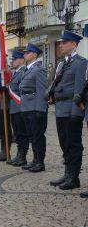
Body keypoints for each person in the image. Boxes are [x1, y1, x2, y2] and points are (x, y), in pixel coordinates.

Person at [49, 31, 87, 190]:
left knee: (74, 144)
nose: (61, 45)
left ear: (73, 44)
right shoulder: (61, 64)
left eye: (64, 42)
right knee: (64, 143)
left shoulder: (80, 62)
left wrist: (76, 112)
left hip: (72, 109)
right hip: (60, 108)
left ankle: (74, 177)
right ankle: (67, 173)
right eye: (60, 43)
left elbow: (79, 89)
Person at [20, 43, 48, 172]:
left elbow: (42, 90)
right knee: (31, 136)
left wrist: (40, 109)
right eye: (25, 53)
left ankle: (40, 162)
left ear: (35, 55)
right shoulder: (27, 69)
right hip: (26, 107)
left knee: (38, 136)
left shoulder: (38, 69)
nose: (25, 54)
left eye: (27, 52)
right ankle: (35, 160)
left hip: (35, 108)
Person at [7, 51, 29, 167]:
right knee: (17, 134)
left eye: (14, 59)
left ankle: (22, 157)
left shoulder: (23, 72)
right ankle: (19, 155)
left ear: (21, 60)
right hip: (14, 108)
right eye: (12, 60)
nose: (12, 62)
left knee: (22, 133)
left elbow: (21, 90)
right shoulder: (15, 73)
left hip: (20, 107)